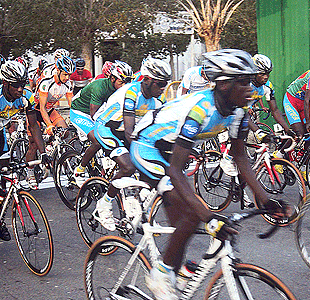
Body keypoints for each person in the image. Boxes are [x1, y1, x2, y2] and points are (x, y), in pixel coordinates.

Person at [129, 49, 288, 299]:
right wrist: (208, 216)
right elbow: (174, 170)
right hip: (148, 147)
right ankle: (160, 275)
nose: (252, 89)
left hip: (172, 148)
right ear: (224, 85)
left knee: (187, 222)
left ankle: (174, 267)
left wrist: (266, 200)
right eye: (244, 82)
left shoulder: (238, 111)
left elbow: (240, 157)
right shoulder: (199, 110)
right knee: (193, 214)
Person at [92, 57, 170, 231]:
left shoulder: (158, 99)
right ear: (147, 80)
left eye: (166, 83)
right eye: (160, 83)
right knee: (129, 167)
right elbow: (129, 132)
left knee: (154, 171)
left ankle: (140, 213)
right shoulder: (132, 92)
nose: (163, 88)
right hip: (107, 129)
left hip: (126, 131)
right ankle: (104, 205)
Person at [0, 61, 50, 240]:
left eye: (23, 84)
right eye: (16, 85)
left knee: (3, 182)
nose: (20, 89)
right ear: (5, 83)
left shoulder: (25, 96)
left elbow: (34, 126)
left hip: (0, 134)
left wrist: (43, 153)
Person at [71, 60, 133, 187]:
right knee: (98, 139)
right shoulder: (99, 87)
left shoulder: (123, 90)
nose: (124, 86)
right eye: (121, 82)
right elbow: (95, 115)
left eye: (127, 82)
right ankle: (80, 169)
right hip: (81, 112)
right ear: (112, 78)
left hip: (100, 111)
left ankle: (104, 169)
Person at [26, 55, 75, 189]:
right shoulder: (46, 82)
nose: (67, 78)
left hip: (50, 110)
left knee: (64, 131)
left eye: (69, 75)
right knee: (34, 144)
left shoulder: (68, 84)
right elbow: (41, 107)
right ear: (58, 70)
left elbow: (72, 104)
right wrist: (49, 125)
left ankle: (49, 146)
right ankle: (30, 171)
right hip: (35, 111)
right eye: (65, 74)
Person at [249, 54, 295, 143]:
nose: (266, 77)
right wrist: (258, 131)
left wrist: (287, 130)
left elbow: (275, 110)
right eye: (262, 74)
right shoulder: (243, 84)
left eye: (268, 73)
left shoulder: (267, 87)